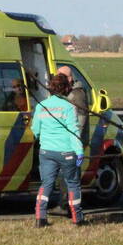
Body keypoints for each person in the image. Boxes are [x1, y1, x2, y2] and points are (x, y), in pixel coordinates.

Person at [32, 72, 85, 227]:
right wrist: (79, 151)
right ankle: (77, 218)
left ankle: (40, 217)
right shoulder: (68, 107)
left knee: (46, 183)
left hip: (46, 152)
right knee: (72, 183)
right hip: (66, 151)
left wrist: (44, 139)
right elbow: (73, 130)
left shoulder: (41, 106)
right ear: (66, 89)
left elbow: (35, 129)